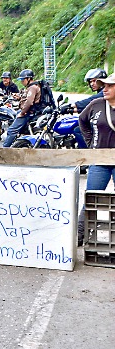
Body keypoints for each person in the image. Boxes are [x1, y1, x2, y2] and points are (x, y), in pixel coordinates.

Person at [77, 72, 115, 245]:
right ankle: (79, 235)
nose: (104, 89)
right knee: (90, 199)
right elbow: (82, 120)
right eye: (104, 85)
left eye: (109, 86)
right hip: (99, 160)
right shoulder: (96, 104)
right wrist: (90, 142)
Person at [2, 69, 42, 148]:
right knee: (14, 116)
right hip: (30, 111)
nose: (21, 82)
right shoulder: (32, 87)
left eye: (23, 80)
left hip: (29, 113)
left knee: (11, 130)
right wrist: (19, 97)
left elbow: (29, 102)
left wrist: (22, 113)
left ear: (29, 79)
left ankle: (4, 151)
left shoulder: (33, 88)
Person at [71, 68, 107, 149]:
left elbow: (92, 101)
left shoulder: (105, 91)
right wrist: (73, 109)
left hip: (107, 121)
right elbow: (91, 106)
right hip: (104, 119)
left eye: (94, 81)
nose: (92, 84)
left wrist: (73, 105)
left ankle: (87, 153)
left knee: (78, 130)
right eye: (90, 81)